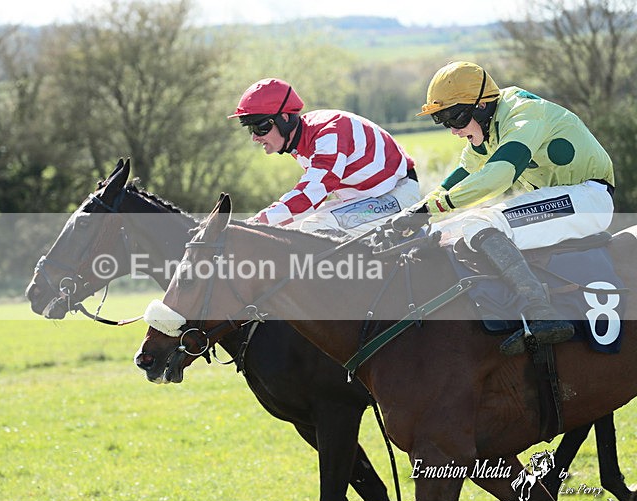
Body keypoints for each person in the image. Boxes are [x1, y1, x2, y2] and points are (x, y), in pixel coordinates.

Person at [396, 60, 615, 355]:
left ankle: (541, 314)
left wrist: (433, 206)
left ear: (481, 106)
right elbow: (463, 174)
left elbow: (499, 175)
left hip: (589, 198)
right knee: (441, 230)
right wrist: (417, 213)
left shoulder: (524, 114)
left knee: (482, 223)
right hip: (563, 200)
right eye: (444, 122)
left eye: (455, 119)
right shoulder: (489, 127)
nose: (453, 131)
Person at [228, 78, 420, 236]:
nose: (255, 137)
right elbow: (310, 198)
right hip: (368, 199)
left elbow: (312, 193)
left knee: (315, 228)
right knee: (285, 229)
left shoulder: (328, 134)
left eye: (260, 127)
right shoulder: (300, 138)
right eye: (250, 129)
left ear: (284, 119)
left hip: (396, 196)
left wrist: (256, 222)